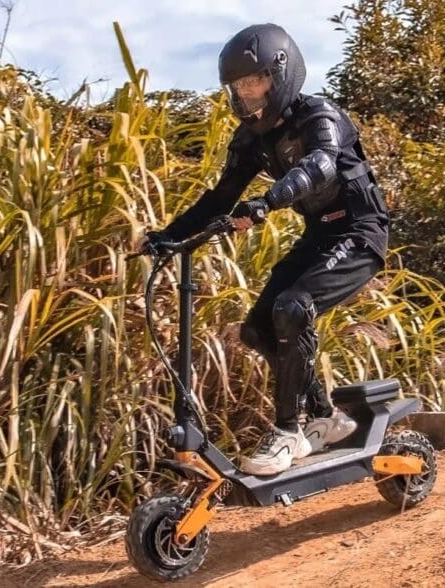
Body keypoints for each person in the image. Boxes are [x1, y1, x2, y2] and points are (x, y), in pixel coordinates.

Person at [141, 24, 390, 476]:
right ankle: (325, 417)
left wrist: (268, 202)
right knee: (257, 329)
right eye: (238, 86)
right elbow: (219, 198)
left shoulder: (320, 116)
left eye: (254, 81)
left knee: (294, 307)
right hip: (320, 236)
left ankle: (288, 431)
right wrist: (167, 236)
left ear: (280, 74)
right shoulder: (252, 140)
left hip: (359, 233)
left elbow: (320, 165)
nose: (246, 93)